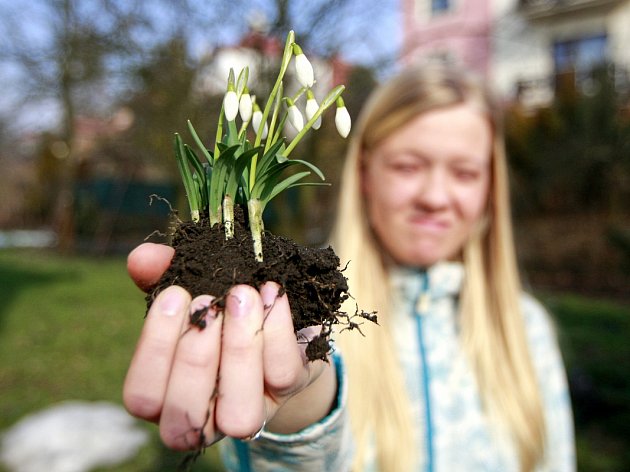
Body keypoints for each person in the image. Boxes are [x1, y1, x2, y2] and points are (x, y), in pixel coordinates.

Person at [123, 65, 576, 471]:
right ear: (364, 174)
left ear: (490, 186)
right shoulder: (306, 302)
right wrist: (299, 405)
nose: (436, 197)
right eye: (408, 165)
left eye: (464, 172)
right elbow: (298, 402)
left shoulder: (525, 329)